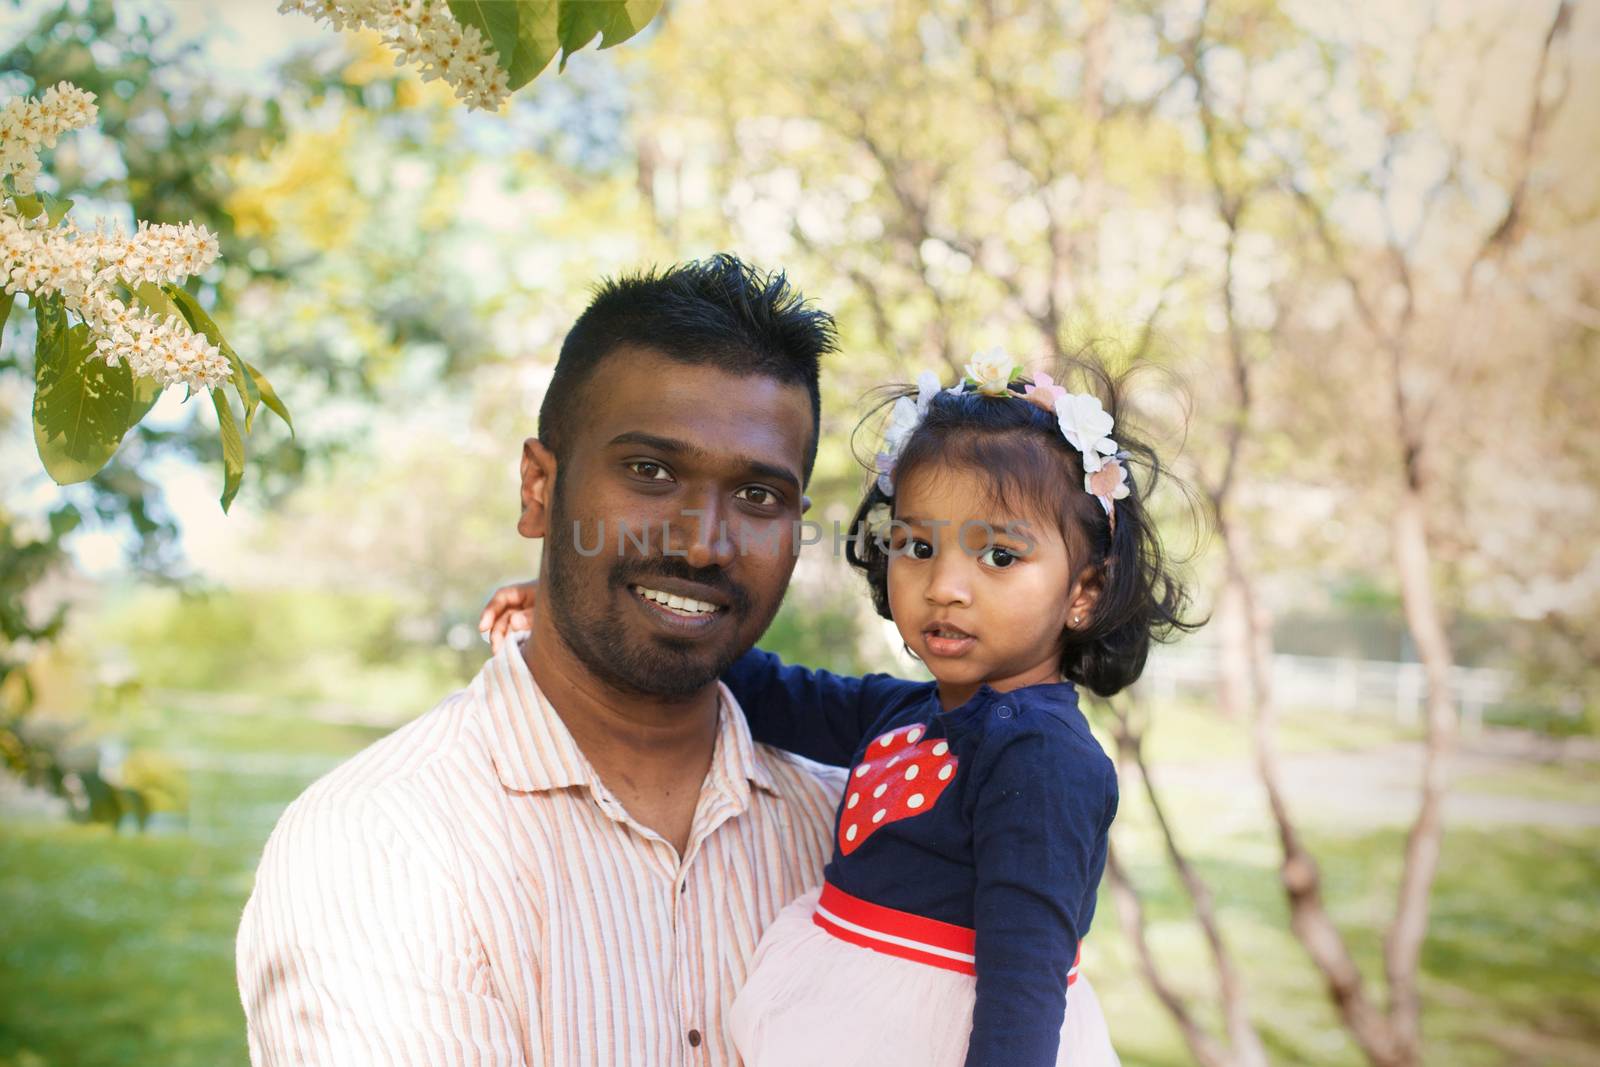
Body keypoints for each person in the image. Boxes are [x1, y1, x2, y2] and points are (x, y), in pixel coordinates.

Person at [483, 353, 1197, 1065]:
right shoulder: (906, 714)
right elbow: (767, 689)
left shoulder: (1043, 756)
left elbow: (1025, 983)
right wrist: (587, 606)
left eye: (1000, 556)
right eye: (918, 545)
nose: (945, 584)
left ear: (1085, 593)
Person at [235, 254, 848, 1067]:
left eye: (758, 495)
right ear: (538, 488)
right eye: (650, 471)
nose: (704, 542)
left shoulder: (861, 829)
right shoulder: (383, 845)